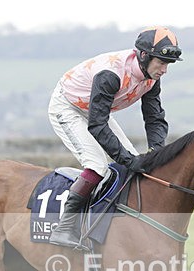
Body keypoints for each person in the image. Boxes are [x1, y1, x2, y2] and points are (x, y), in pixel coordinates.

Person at [48, 26, 183, 248]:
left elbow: (154, 118)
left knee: (133, 166)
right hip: (68, 107)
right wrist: (129, 159)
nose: (165, 70)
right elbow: (97, 126)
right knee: (98, 165)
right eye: (161, 62)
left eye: (168, 64)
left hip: (95, 110)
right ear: (144, 55)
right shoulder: (111, 74)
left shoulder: (151, 77)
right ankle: (64, 227)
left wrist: (156, 152)